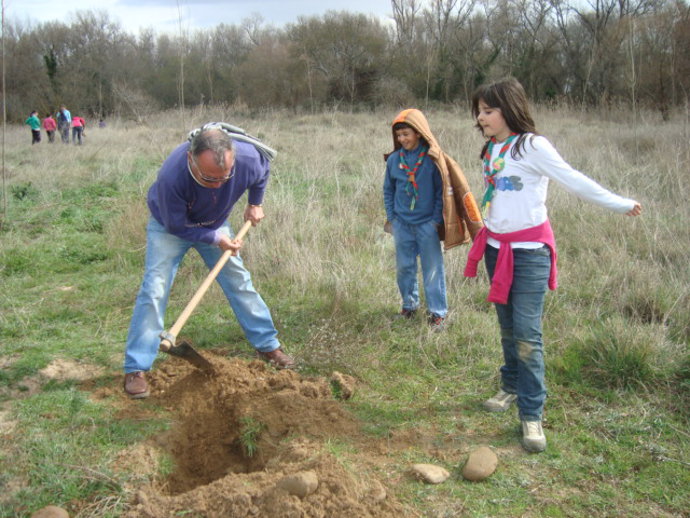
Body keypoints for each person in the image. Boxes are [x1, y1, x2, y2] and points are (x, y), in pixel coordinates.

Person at [464, 78, 642, 453]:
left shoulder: (533, 145)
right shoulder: (492, 147)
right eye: (479, 111)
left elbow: (572, 179)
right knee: (508, 327)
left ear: (509, 108)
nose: (481, 118)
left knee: (528, 335)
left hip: (528, 254)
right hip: (496, 249)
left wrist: (620, 203)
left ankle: (532, 414)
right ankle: (511, 387)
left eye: (488, 111)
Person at [123, 122, 294, 399]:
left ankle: (268, 346)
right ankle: (136, 367)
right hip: (170, 228)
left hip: (215, 223)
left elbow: (262, 171)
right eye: (208, 179)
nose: (217, 184)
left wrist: (255, 202)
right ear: (191, 159)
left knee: (239, 281)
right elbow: (177, 225)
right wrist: (217, 239)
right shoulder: (172, 176)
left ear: (233, 158)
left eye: (224, 178)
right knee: (154, 289)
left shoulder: (249, 159)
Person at [383, 109, 482, 330]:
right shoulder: (394, 160)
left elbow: (442, 192)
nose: (402, 139)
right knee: (404, 268)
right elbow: (388, 190)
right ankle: (409, 306)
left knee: (432, 269)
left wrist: (434, 220)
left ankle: (437, 314)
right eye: (398, 135)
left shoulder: (432, 159)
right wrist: (393, 218)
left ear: (418, 133)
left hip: (426, 225)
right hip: (402, 225)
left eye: (406, 134)